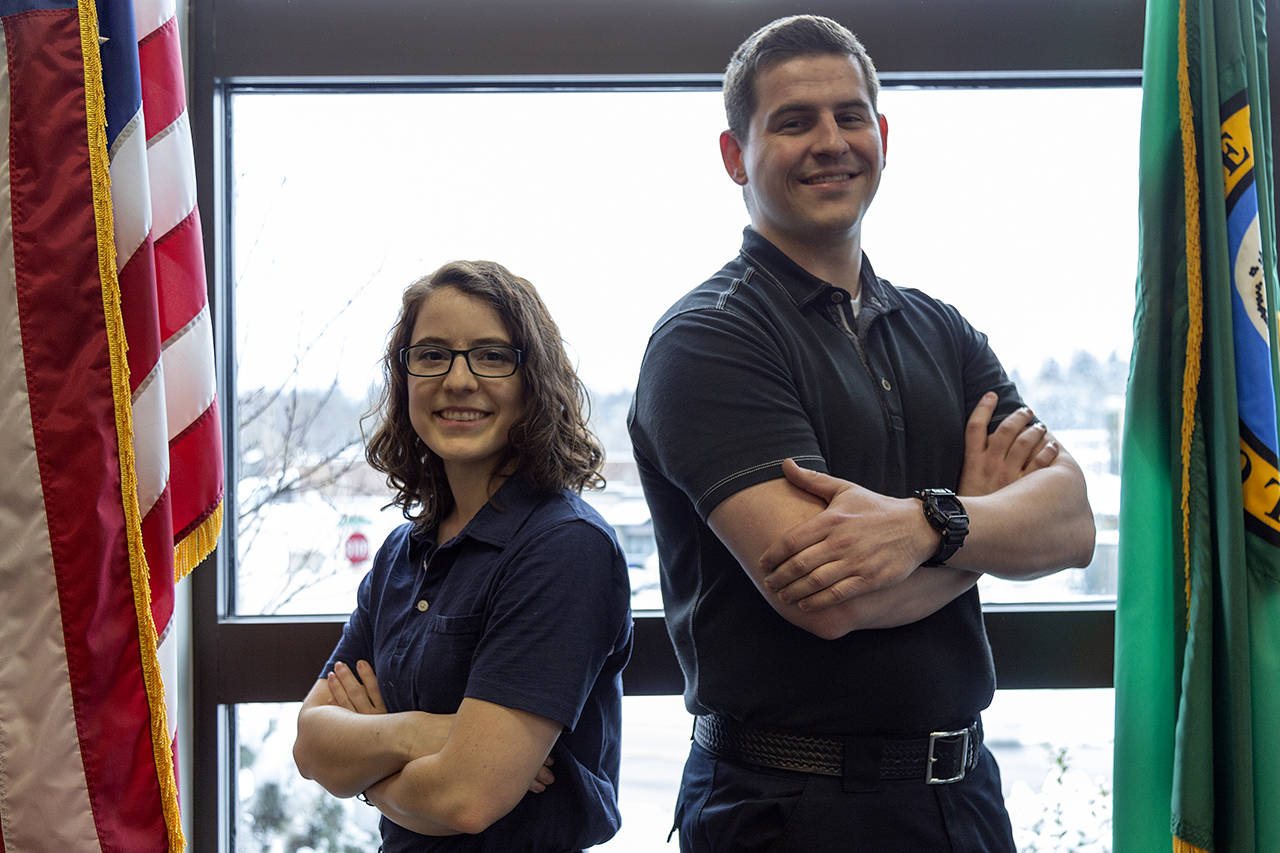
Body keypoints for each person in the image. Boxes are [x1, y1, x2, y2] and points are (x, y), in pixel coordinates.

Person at [627, 15, 1096, 852]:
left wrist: (926, 525)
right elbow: (828, 600)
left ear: (882, 136)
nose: (830, 142)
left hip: (965, 803)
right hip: (787, 810)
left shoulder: (940, 330)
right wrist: (982, 523)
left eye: (850, 117)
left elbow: (1071, 522)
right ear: (736, 156)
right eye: (793, 121)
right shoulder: (707, 339)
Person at [293, 260, 633, 852]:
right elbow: (310, 743)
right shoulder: (404, 551)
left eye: (491, 355)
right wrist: (428, 735)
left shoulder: (564, 549)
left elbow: (466, 800)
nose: (457, 380)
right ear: (405, 379)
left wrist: (366, 764)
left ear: (534, 383)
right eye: (431, 354)